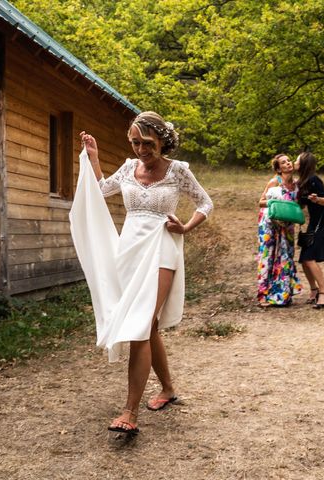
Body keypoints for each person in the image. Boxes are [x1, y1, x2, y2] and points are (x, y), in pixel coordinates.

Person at [72, 111, 213, 435]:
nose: (140, 149)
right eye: (135, 142)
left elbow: (205, 203)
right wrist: (93, 159)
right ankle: (167, 388)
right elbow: (101, 190)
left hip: (162, 247)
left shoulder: (177, 171)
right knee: (148, 326)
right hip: (129, 250)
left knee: (141, 324)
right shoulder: (127, 167)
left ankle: (129, 411)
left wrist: (186, 226)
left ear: (162, 140)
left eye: (146, 143)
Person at [256, 153, 302, 307]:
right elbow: (261, 202)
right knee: (267, 256)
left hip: (287, 225)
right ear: (278, 168)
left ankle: (282, 295)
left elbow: (298, 205)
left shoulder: (297, 184)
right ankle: (264, 295)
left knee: (286, 256)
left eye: (289, 160)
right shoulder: (275, 182)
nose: (288, 163)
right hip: (269, 222)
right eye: (283, 162)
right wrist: (277, 203)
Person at [294, 152, 324, 309]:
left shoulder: (314, 180)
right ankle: (313, 290)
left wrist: (317, 199)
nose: (294, 162)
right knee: (304, 259)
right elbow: (301, 205)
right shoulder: (301, 182)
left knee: (309, 257)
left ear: (303, 163)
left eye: (297, 160)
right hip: (314, 224)